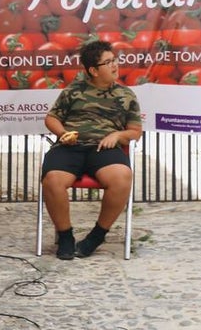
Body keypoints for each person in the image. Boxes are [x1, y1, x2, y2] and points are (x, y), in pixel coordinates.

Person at [41, 39, 143, 259]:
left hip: (104, 149)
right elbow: (51, 118)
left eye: (115, 60)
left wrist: (117, 135)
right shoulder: (72, 92)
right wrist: (62, 134)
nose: (115, 65)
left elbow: (135, 132)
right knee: (53, 180)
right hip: (71, 146)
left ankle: (97, 235)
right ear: (93, 70)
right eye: (108, 63)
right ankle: (65, 236)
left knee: (122, 177)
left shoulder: (126, 96)